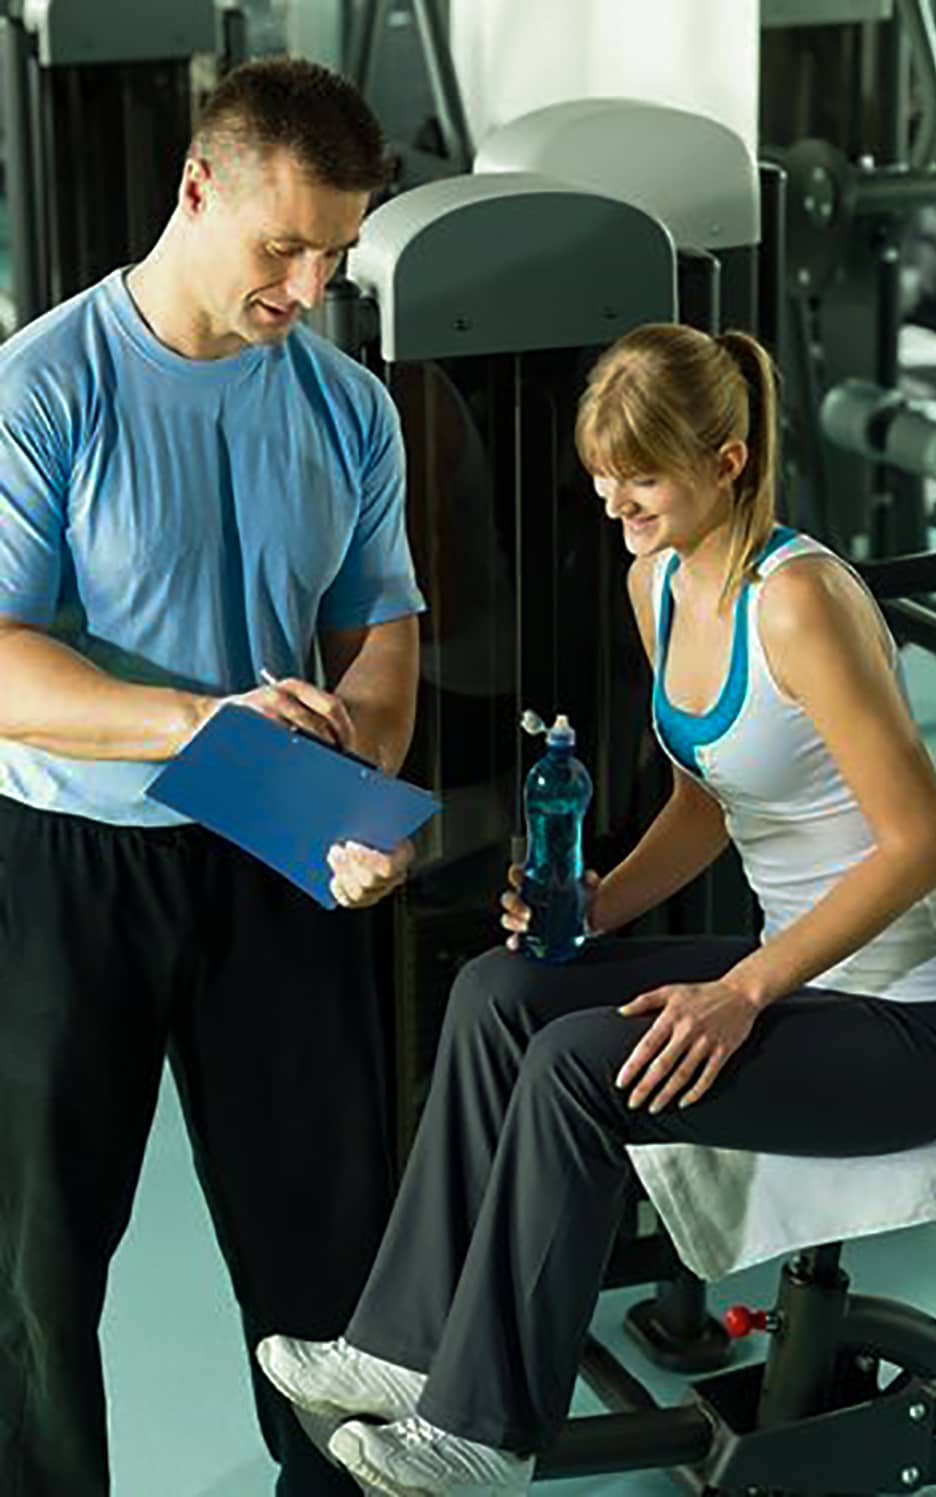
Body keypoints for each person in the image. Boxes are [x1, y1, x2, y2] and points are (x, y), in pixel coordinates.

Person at [255, 322, 936, 1496]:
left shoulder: (802, 600)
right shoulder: (657, 580)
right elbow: (705, 802)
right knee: (501, 989)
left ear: (727, 461)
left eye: (643, 478)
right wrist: (598, 906)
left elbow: (919, 840)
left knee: (577, 1067)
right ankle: (403, 1347)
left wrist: (742, 992)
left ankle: (487, 1429)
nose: (616, 502)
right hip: (803, 971)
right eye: (603, 478)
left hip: (907, 1015)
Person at [0, 57, 424, 1497]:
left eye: (335, 254)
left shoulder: (349, 406)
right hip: (69, 856)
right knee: (36, 1267)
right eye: (283, 247)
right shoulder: (42, 387)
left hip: (272, 837)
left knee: (331, 1250)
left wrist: (363, 795)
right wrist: (200, 725)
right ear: (197, 191)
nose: (308, 286)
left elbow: (382, 636)